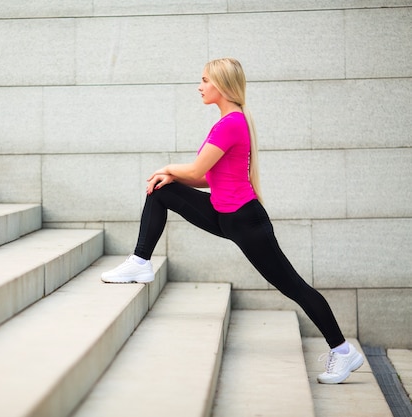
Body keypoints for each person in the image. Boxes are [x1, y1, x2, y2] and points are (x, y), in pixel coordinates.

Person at [100, 57, 364, 384]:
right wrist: (169, 177)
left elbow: (196, 170)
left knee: (293, 286)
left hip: (245, 221)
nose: (199, 86)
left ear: (222, 86)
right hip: (223, 214)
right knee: (161, 191)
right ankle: (140, 260)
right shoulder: (226, 122)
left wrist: (167, 167)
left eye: (205, 80)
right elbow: (209, 178)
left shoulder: (232, 123)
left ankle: (342, 351)